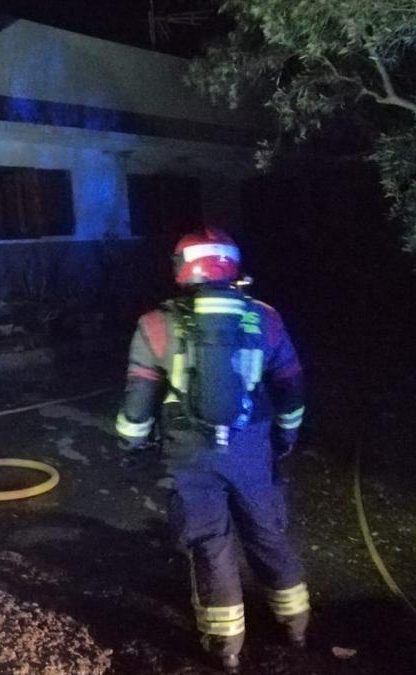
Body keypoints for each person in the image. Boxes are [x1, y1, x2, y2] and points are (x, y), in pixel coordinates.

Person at [115, 228, 308, 673]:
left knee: (209, 544)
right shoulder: (266, 318)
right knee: (267, 532)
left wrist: (131, 441)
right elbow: (291, 386)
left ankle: (227, 647)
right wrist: (286, 436)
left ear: (182, 268)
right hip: (252, 446)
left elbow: (139, 401)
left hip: (190, 455)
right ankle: (296, 624)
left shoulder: (155, 325)